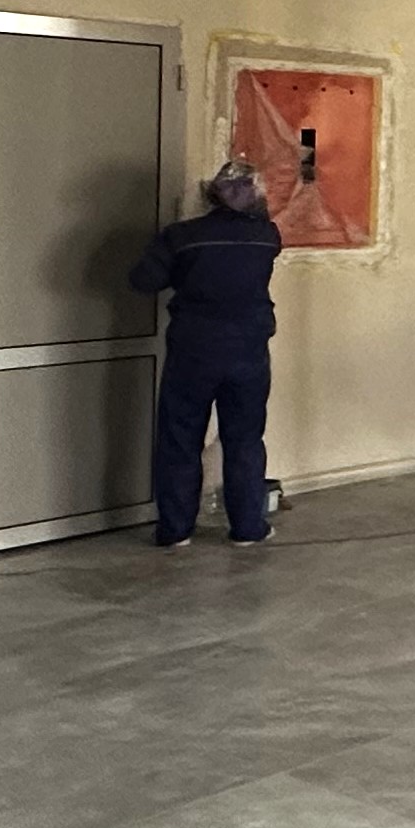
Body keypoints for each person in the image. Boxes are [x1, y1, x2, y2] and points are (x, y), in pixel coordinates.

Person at [130, 158, 281, 546]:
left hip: (193, 350)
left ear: (211, 194)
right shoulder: (267, 236)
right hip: (249, 351)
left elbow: (144, 280)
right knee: (245, 439)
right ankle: (248, 528)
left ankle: (175, 530)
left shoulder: (182, 236)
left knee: (181, 438)